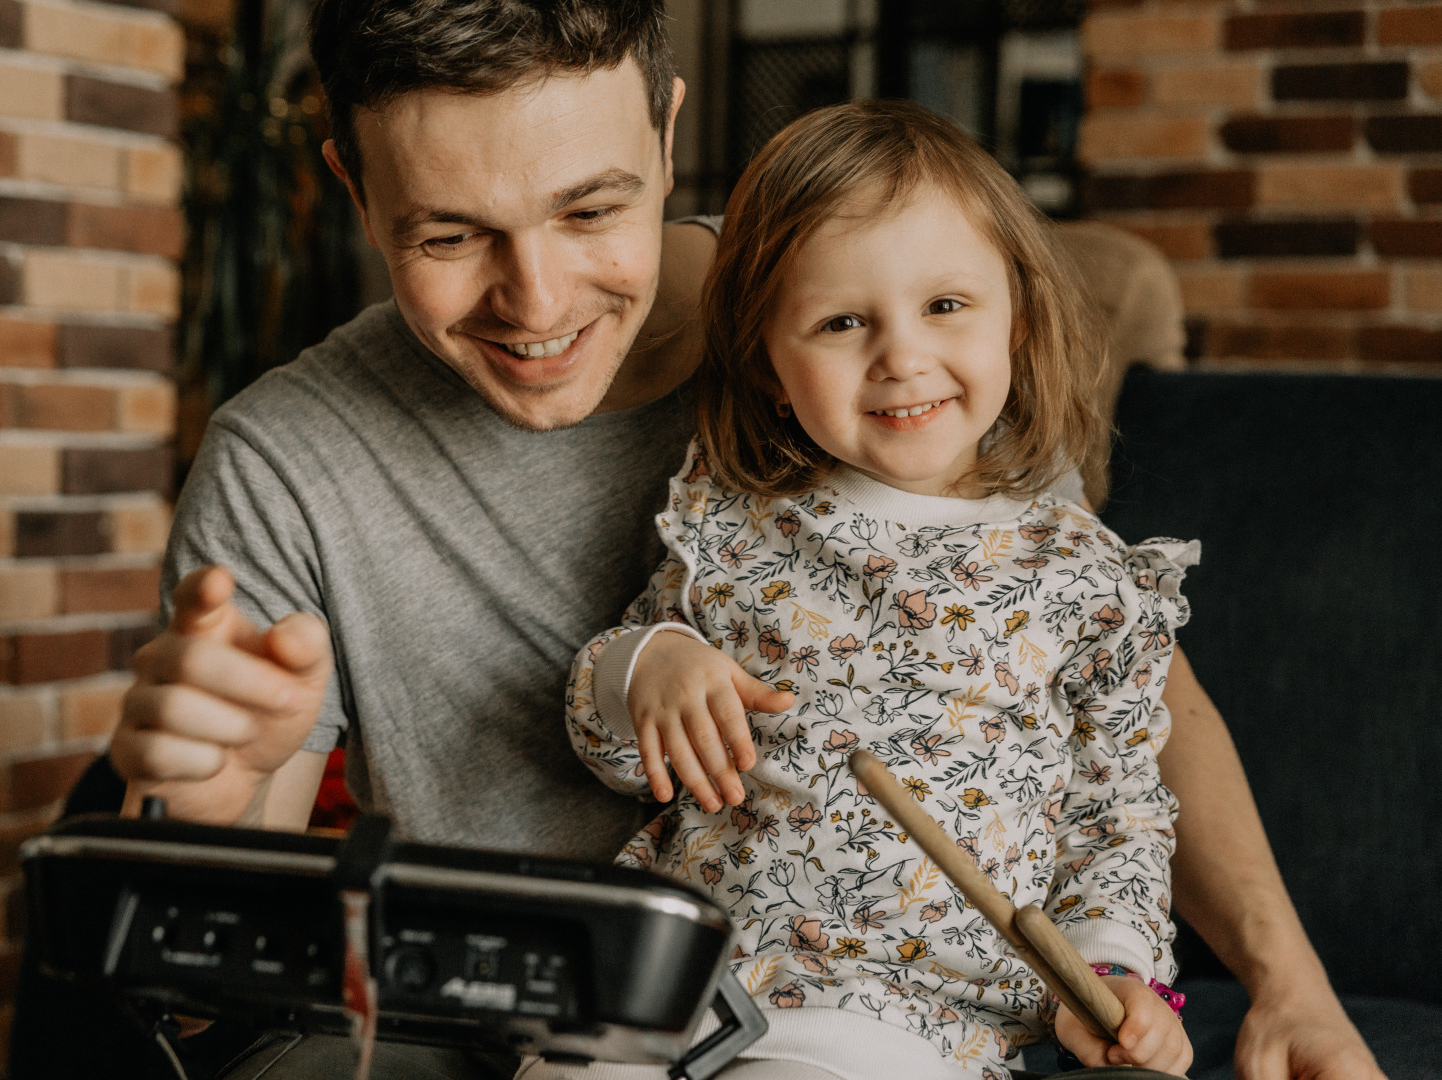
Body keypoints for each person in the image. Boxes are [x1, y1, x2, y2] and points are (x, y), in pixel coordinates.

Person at [105, 3, 1384, 1079]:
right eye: (448, 235)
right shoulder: (284, 459)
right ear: (349, 185)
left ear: (666, 130)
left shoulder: (891, 337)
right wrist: (209, 807)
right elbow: (214, 974)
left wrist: (1286, 983)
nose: (537, 303)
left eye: (590, 211)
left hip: (887, 1016)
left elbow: (1125, 701)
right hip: (549, 1021)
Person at [560, 100, 1192, 1080]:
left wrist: (1110, 973)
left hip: (898, 1013)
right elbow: (611, 745)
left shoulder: (1085, 579)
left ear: (1017, 321)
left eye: (946, 306)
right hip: (670, 973)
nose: (901, 356)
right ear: (770, 364)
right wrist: (645, 668)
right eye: (842, 321)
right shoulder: (731, 526)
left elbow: (1118, 813)